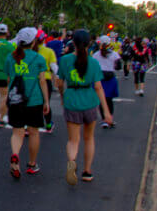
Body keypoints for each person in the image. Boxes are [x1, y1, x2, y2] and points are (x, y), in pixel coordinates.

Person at [58, 29, 111, 185]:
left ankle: (72, 161)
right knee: (89, 138)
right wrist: (106, 111)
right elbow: (98, 87)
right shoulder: (94, 62)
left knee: (73, 140)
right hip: (90, 102)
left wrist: (62, 96)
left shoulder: (65, 60)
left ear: (72, 42)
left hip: (72, 101)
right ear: (90, 44)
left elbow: (60, 83)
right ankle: (87, 171)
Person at [4, 27, 49, 178]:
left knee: (17, 132)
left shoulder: (10, 57)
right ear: (33, 41)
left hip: (15, 99)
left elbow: (9, 79)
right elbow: (42, 81)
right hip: (34, 100)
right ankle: (31, 164)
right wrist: (46, 101)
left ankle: (15, 155)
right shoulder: (38, 58)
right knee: (34, 132)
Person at [92, 36, 122, 128]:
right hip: (110, 78)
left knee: (102, 100)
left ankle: (104, 120)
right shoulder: (114, 54)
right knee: (109, 100)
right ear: (110, 43)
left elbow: (93, 66)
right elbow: (118, 67)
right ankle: (110, 118)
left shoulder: (96, 54)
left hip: (100, 78)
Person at [35, 30, 58, 133]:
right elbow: (54, 68)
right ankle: (48, 125)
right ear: (44, 39)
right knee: (46, 103)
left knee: (32, 103)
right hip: (46, 79)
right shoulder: (49, 51)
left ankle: (28, 126)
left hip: (32, 81)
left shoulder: (30, 51)